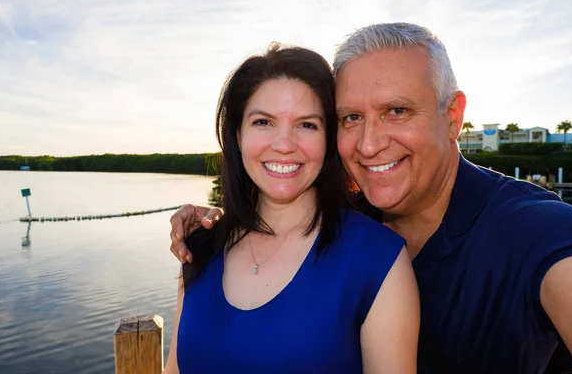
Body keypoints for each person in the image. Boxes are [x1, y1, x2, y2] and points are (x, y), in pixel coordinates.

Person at [169, 23, 572, 373]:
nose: (368, 145)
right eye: (351, 117)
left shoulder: (537, 231)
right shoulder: (350, 215)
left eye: (397, 111)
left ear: (453, 117)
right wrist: (217, 223)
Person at [162, 43, 420, 374]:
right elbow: (175, 368)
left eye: (307, 125)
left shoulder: (377, 261)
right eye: (263, 122)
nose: (284, 145)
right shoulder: (200, 246)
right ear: (238, 134)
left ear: (329, 138)